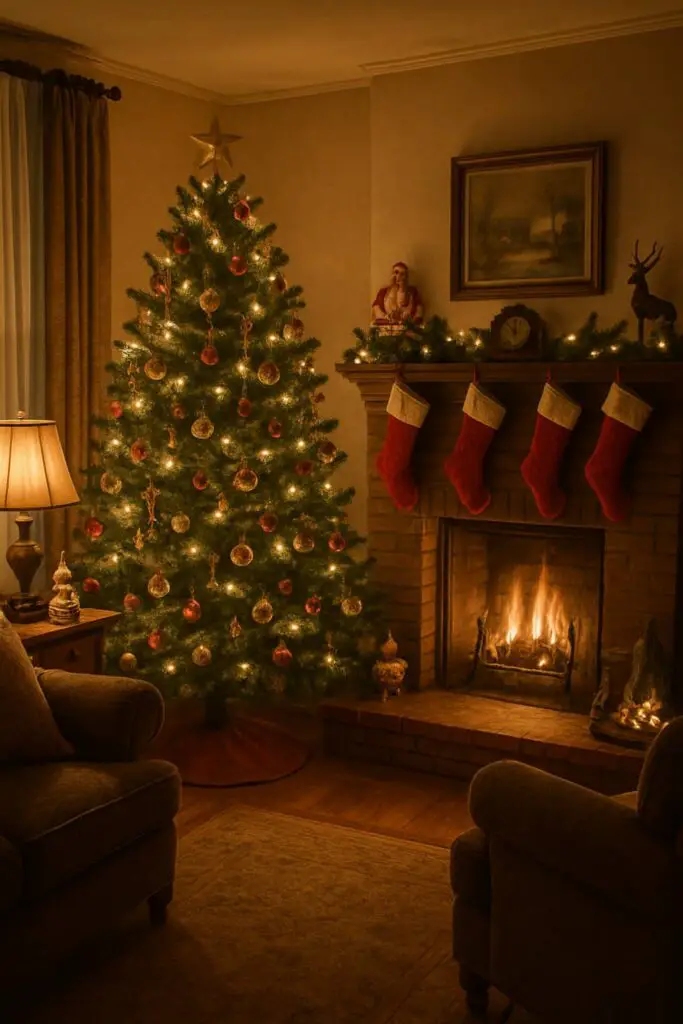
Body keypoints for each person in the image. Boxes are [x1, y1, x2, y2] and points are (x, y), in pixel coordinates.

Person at [372, 262, 423, 329]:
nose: (398, 276)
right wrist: (387, 318)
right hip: (387, 329)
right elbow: (377, 311)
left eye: (402, 274)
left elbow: (418, 313)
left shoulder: (413, 292)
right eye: (396, 272)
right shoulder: (383, 292)